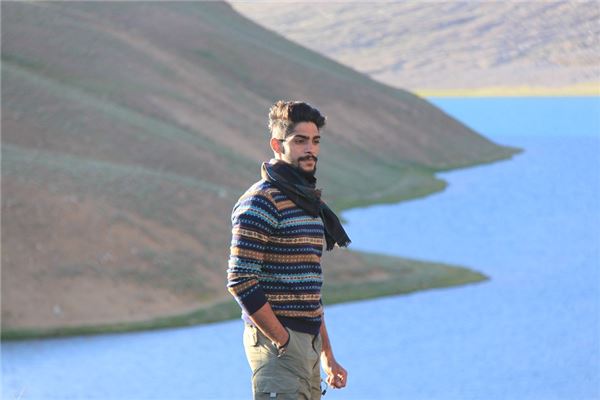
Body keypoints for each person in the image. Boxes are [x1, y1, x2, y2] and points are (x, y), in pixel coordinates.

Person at [227, 100, 351, 399]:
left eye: (315, 141)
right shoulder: (261, 201)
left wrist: (327, 355)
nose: (310, 149)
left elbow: (307, 287)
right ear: (276, 144)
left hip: (309, 345)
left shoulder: (306, 203)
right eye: (300, 141)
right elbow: (240, 279)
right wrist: (283, 340)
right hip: (278, 347)